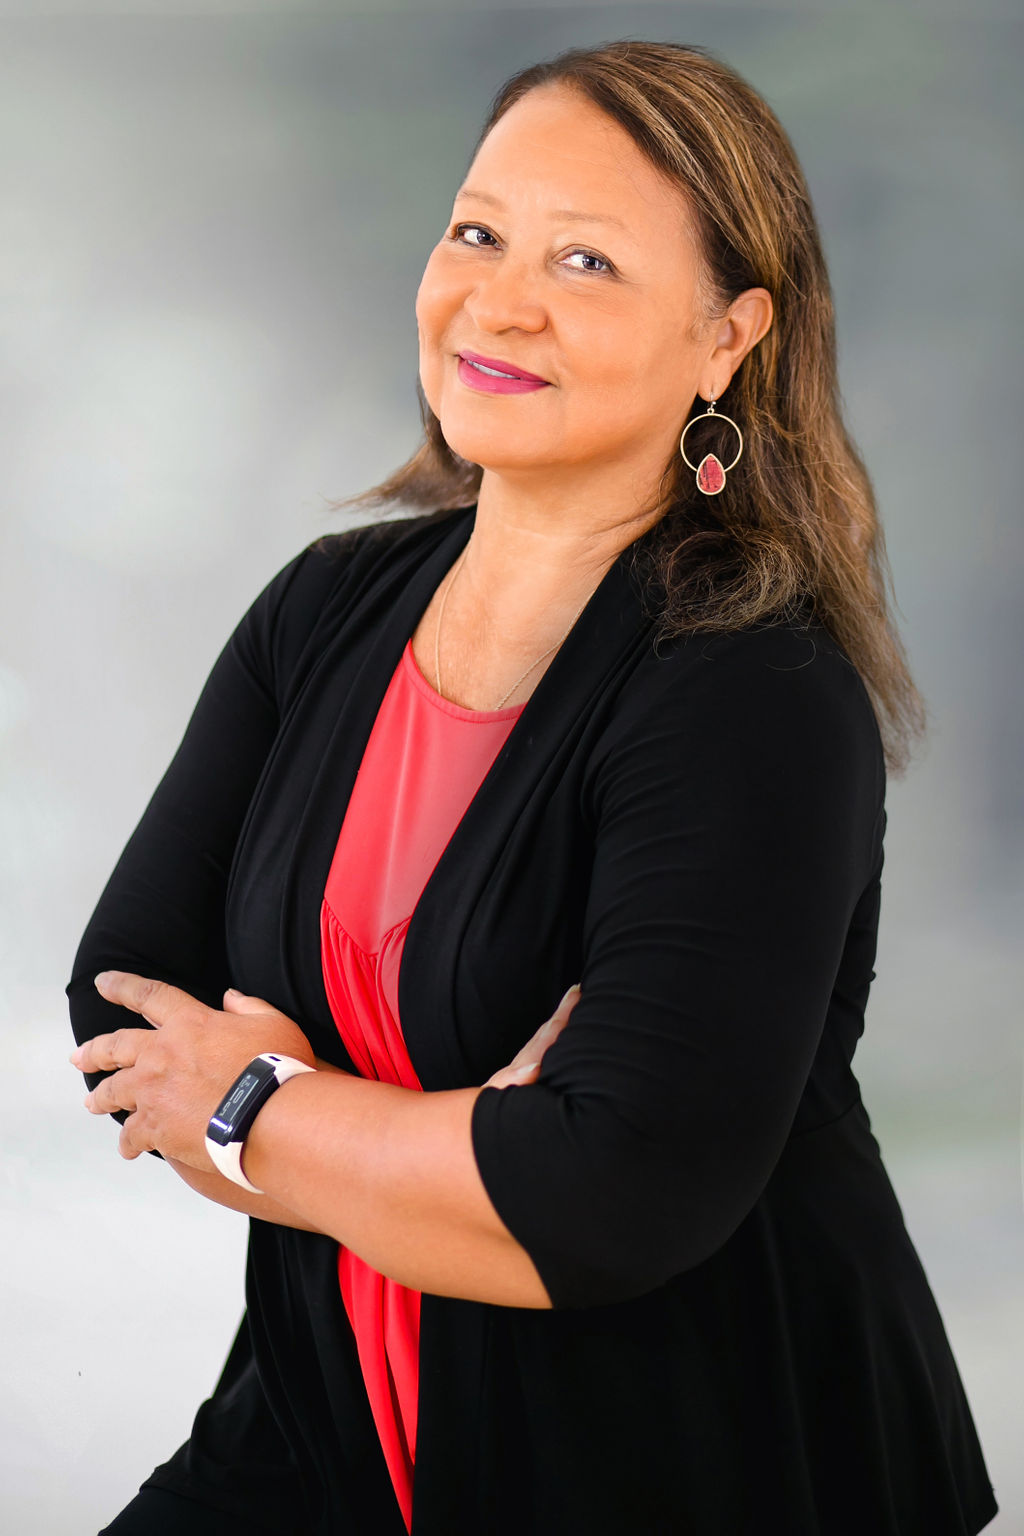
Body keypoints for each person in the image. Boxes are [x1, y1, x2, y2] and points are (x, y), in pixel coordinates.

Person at [66, 38, 999, 1536]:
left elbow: (610, 1198)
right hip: (329, 1439)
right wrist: (452, 1147)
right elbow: (123, 1015)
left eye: (587, 261)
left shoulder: (749, 684)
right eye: (478, 232)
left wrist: (255, 1099)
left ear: (728, 338)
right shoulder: (328, 609)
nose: (500, 298)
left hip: (690, 1471)